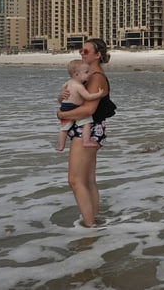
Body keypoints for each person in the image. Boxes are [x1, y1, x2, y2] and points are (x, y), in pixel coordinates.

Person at [57, 38, 115, 227]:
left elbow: (89, 109)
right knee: (88, 180)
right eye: (81, 51)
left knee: (75, 180)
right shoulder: (87, 76)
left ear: (97, 55)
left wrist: (61, 113)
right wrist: (64, 98)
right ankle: (93, 222)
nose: (81, 53)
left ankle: (89, 226)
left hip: (87, 128)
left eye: (86, 51)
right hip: (90, 127)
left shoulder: (96, 76)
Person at [56, 59, 105, 151]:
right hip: (74, 107)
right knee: (86, 123)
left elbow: (61, 98)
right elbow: (88, 97)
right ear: (76, 74)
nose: (89, 74)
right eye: (86, 72)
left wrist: (60, 95)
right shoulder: (79, 86)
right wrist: (99, 94)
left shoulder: (67, 83)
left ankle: (61, 145)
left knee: (63, 128)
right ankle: (86, 141)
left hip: (64, 107)